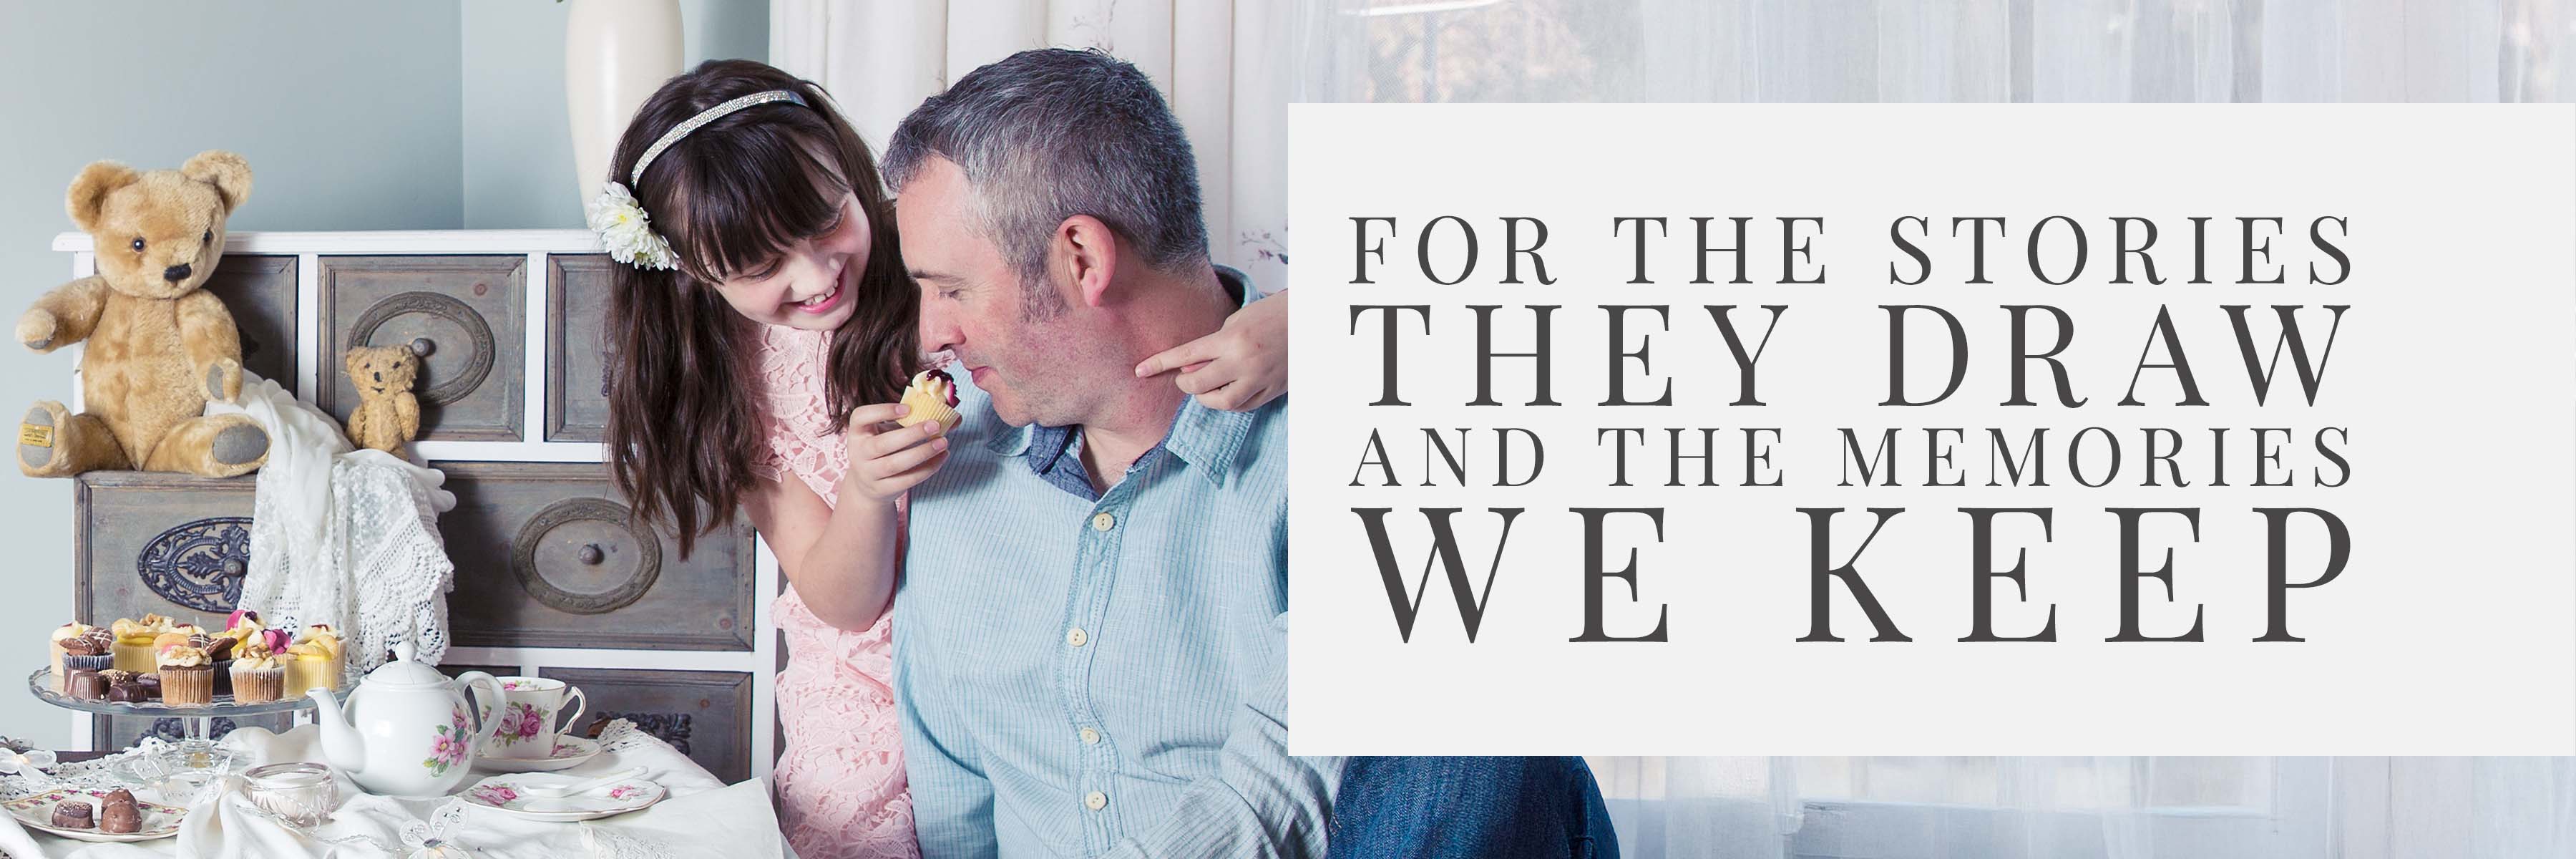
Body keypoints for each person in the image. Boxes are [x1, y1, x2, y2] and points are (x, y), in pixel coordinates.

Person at [884, 48, 1616, 859]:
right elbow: (957, 816)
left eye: (951, 288)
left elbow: (1279, 796)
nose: (931, 335)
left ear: (1083, 257)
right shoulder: (953, 470)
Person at [590, 59, 1288, 859]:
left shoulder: (947, 242)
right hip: (872, 671)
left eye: (825, 225)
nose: (816, 276)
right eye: (760, 268)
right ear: (691, 273)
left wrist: (1310, 318)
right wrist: (865, 490)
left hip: (1010, 622)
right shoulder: (736, 385)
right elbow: (842, 601)